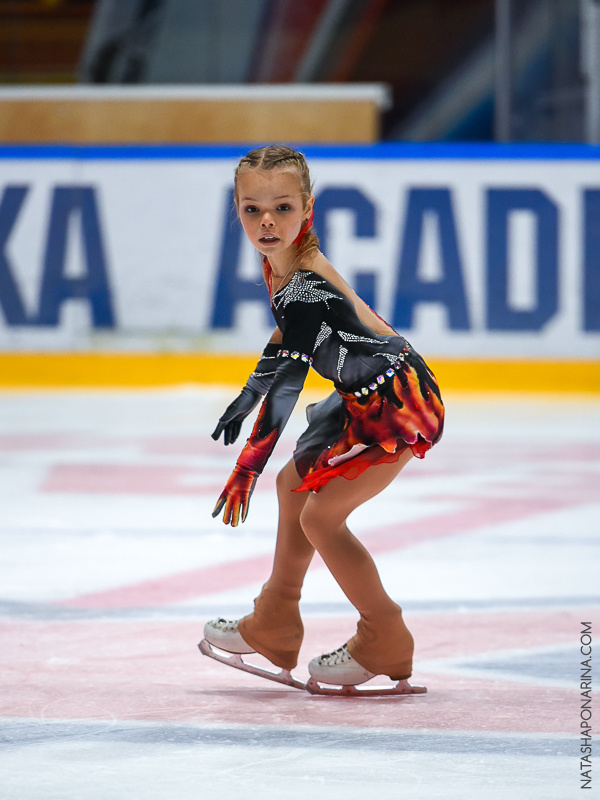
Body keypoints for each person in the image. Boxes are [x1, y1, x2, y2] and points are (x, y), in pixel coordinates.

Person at [202, 145, 444, 692]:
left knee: (321, 518)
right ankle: (275, 620)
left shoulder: (305, 283)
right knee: (294, 484)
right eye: (251, 209)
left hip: (395, 406)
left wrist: (246, 466)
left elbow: (289, 385)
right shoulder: (280, 262)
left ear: (307, 207)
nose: (266, 221)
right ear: (235, 208)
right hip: (363, 396)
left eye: (282, 208)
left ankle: (385, 635)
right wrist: (247, 395)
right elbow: (289, 342)